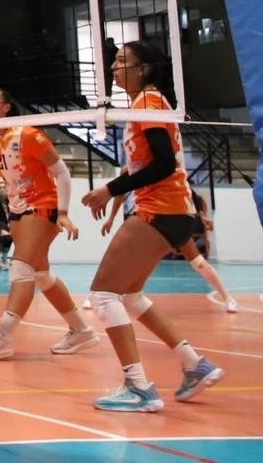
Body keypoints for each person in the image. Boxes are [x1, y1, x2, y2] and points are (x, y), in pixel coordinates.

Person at [80, 40, 224, 412]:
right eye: (114, 62)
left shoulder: (148, 104)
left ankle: (138, 387)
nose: (114, 68)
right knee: (130, 296)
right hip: (174, 212)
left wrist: (109, 190)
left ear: (143, 69)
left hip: (160, 210)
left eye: (122, 61)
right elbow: (156, 163)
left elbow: (162, 165)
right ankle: (195, 364)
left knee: (103, 294)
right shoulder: (149, 105)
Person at [0, 87, 97, 362]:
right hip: (17, 208)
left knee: (21, 269)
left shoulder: (27, 133)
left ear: (6, 108)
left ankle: (1, 337)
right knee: (42, 276)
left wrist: (62, 211)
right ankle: (81, 330)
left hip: (42, 205)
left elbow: (61, 171)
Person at [101, 173, 238, 314]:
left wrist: (202, 218)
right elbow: (119, 192)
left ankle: (228, 299)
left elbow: (190, 196)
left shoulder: (167, 166)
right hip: (148, 219)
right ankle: (104, 293)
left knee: (199, 263)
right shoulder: (132, 166)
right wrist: (111, 218)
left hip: (173, 220)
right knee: (128, 257)